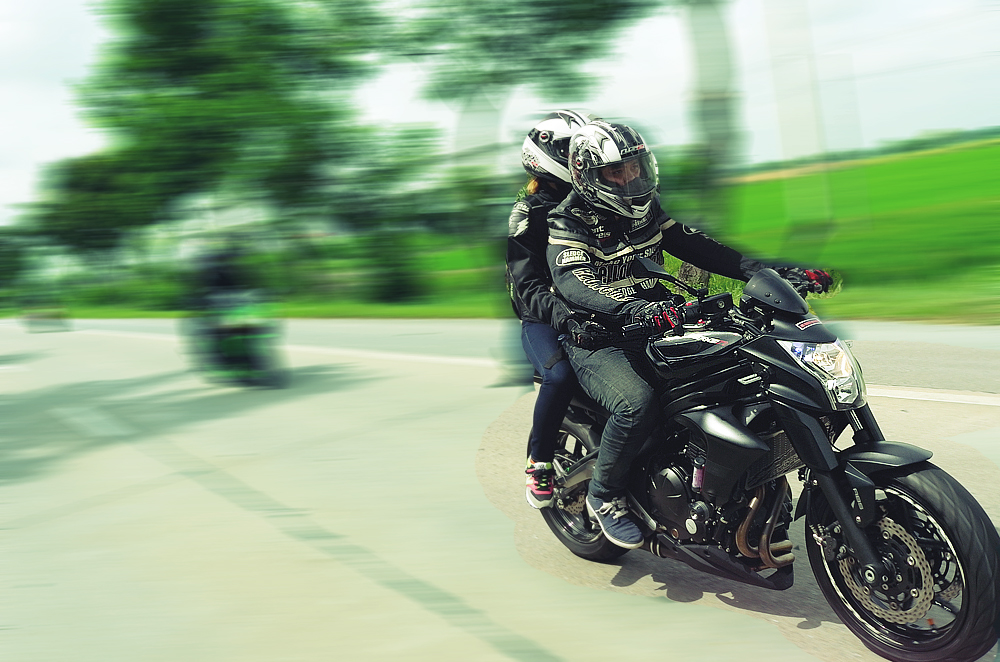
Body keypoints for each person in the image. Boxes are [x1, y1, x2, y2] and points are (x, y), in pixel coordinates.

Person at [546, 120, 831, 548]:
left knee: (739, 375)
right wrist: (633, 309)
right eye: (616, 172)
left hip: (659, 322)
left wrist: (775, 270)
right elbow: (575, 283)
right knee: (637, 405)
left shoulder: (648, 208)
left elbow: (703, 248)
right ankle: (604, 496)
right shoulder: (568, 220)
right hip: (600, 337)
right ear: (588, 176)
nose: (630, 178)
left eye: (635, 167)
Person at [506, 109, 594, 508]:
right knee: (559, 375)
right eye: (571, 150)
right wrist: (562, 314)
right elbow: (527, 285)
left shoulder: (595, 201)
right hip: (543, 317)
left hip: (596, 311)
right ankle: (539, 460)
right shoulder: (528, 213)